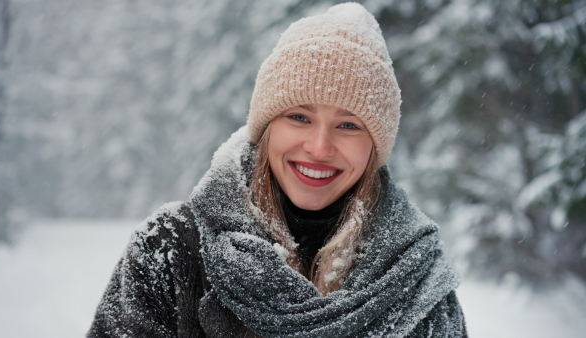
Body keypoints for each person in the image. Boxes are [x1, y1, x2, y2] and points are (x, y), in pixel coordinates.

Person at [88, 3, 467, 337]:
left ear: (375, 147)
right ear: (267, 129)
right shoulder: (171, 251)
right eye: (299, 116)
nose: (320, 147)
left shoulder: (417, 283)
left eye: (349, 125)